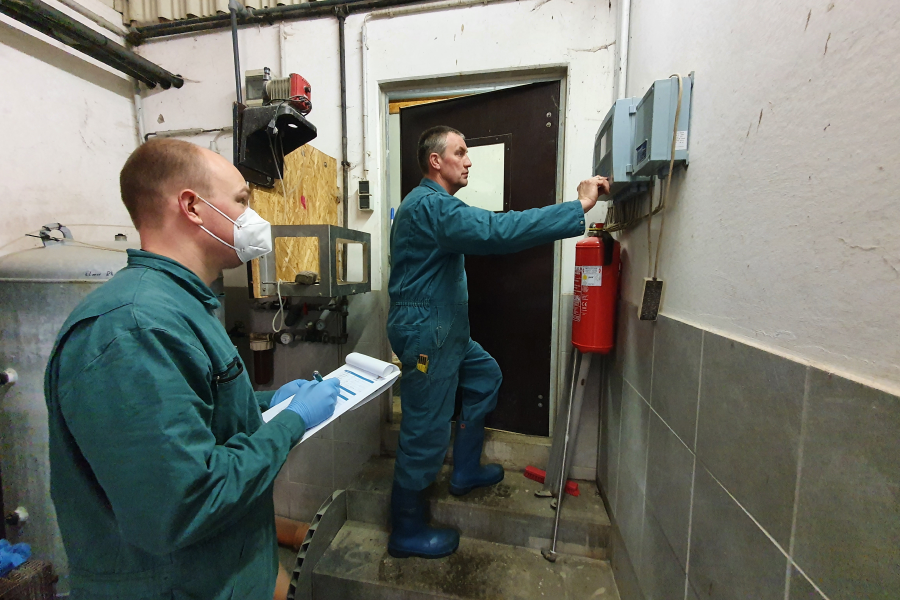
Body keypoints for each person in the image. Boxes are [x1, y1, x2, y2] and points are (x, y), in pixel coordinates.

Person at [44, 138, 340, 600]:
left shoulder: (185, 304)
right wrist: (290, 422)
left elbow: (196, 415)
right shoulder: (133, 328)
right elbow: (186, 504)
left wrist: (270, 402)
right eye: (242, 201)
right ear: (192, 207)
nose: (253, 217)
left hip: (225, 569)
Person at [386, 125, 610, 559]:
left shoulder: (437, 207)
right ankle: (406, 528)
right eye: (461, 152)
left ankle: (465, 470)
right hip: (428, 334)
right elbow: (496, 230)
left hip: (447, 330)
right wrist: (577, 206)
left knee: (485, 374)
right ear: (436, 161)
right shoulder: (429, 206)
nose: (469, 160)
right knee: (424, 430)